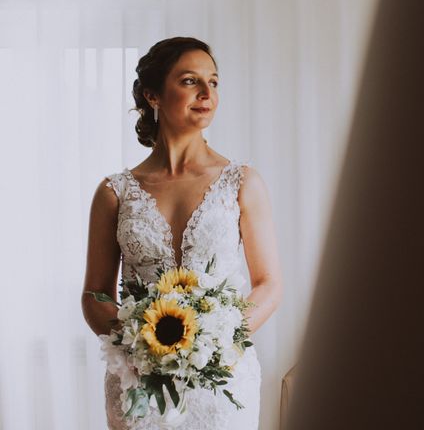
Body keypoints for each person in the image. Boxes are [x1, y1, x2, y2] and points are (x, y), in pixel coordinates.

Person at [81, 36, 283, 429]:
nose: (207, 93)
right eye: (190, 81)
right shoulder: (113, 193)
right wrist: (142, 346)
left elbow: (269, 283)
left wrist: (212, 341)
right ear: (152, 94)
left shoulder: (241, 182)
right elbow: (95, 295)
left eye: (214, 82)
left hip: (222, 380)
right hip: (138, 383)